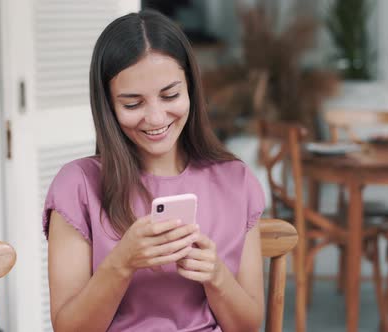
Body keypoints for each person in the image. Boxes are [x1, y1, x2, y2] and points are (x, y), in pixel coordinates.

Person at [42, 9, 266, 332]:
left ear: (190, 87)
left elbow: (247, 327)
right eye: (133, 104)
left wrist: (216, 275)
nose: (157, 118)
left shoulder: (236, 181)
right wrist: (123, 261)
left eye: (170, 95)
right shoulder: (77, 187)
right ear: (108, 106)